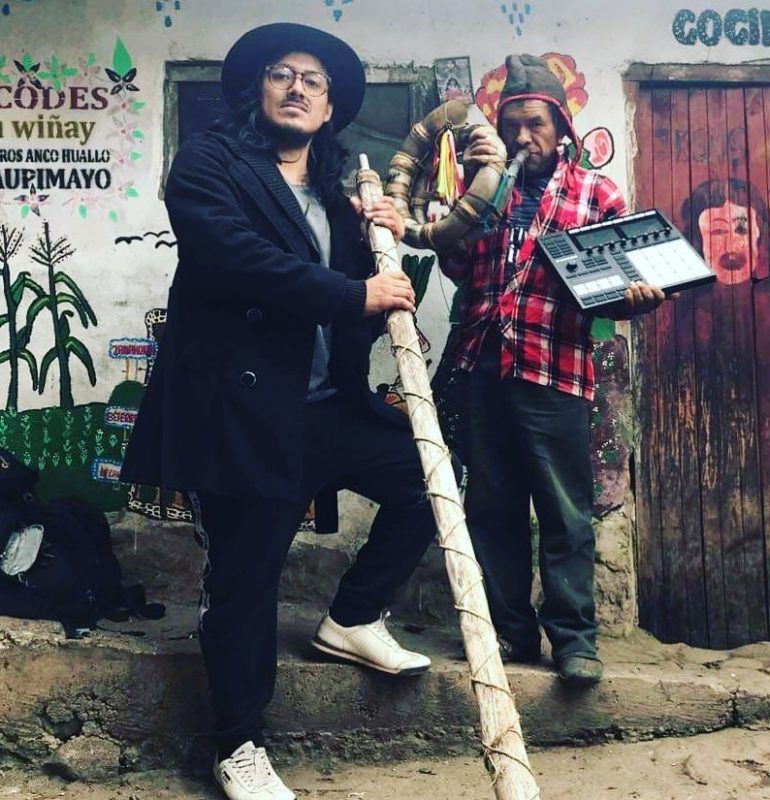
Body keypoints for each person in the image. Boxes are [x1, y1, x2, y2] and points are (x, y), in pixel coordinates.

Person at [121, 23, 446, 800]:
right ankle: (238, 745)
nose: (298, 88)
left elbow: (367, 296)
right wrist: (354, 291)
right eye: (282, 74)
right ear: (256, 90)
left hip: (325, 406)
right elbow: (234, 258)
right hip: (242, 410)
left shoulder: (337, 191)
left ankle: (352, 618)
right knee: (246, 578)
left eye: (314, 81)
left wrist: (388, 240)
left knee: (431, 479)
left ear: (329, 109)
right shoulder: (209, 164)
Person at [440, 54, 667, 687]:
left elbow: (618, 287)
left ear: (562, 127)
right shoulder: (485, 191)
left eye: (535, 123)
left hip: (556, 371)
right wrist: (458, 216)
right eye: (511, 124)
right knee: (492, 506)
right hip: (484, 368)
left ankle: (574, 641)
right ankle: (510, 633)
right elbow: (458, 269)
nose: (522, 137)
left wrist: (636, 299)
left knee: (565, 511)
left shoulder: (598, 193)